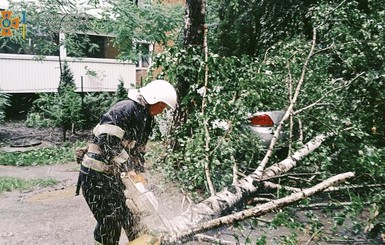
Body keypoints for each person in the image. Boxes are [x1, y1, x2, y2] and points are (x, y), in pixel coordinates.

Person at [76, 80, 177, 245]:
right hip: (95, 176)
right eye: (162, 106)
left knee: (132, 216)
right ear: (153, 99)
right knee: (110, 222)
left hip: (113, 176)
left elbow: (138, 152)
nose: (162, 110)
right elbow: (107, 141)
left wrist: (139, 178)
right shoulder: (125, 109)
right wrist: (128, 168)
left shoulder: (145, 118)